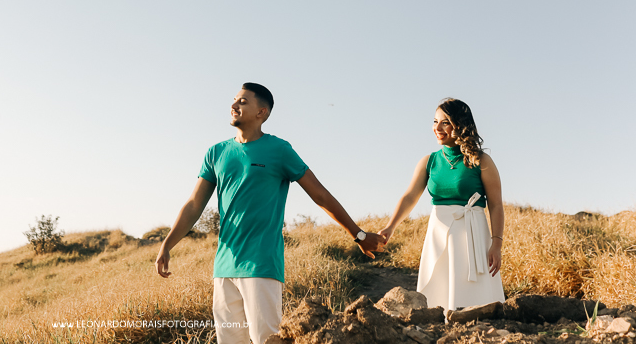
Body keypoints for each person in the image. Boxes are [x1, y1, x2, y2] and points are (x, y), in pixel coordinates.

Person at [154, 83, 385, 344]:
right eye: (234, 100)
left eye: (243, 102)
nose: (234, 105)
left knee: (267, 340)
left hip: (262, 265)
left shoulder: (279, 150)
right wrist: (167, 244)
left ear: (261, 112)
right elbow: (195, 204)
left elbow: (319, 194)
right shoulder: (216, 152)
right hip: (224, 266)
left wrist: (359, 234)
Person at [377, 98, 505, 311]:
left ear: (460, 124)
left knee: (473, 293)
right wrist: (391, 227)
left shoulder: (481, 160)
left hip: (472, 233)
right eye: (435, 121)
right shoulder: (429, 161)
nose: (437, 128)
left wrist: (497, 243)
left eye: (445, 122)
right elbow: (410, 197)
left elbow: (496, 205)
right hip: (438, 231)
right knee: (438, 289)